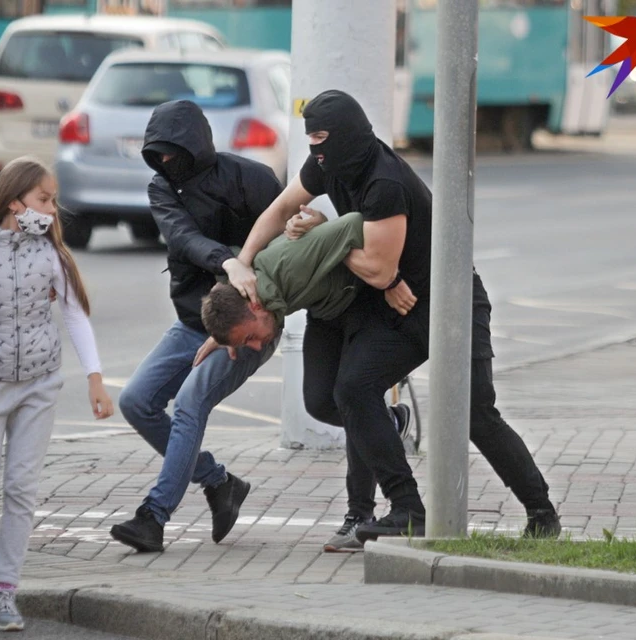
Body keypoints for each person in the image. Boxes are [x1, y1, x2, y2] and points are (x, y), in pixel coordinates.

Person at [220, 89, 562, 541]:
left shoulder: (384, 182)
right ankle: (402, 508)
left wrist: (327, 235)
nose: (315, 149)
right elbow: (283, 207)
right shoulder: (327, 165)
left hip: (448, 300)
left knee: (475, 414)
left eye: (322, 137)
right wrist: (242, 265)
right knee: (347, 393)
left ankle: (542, 514)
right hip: (391, 301)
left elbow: (379, 268)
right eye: (310, 139)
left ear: (347, 135)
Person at [0, 157, 114, 631]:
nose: (52, 211)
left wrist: (94, 376)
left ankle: (6, 593)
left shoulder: (51, 256)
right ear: (15, 202)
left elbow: (74, 314)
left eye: (52, 201)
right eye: (44, 200)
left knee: (22, 489)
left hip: (39, 384)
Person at [110, 100, 284, 553]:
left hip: (249, 321)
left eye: (172, 153)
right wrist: (231, 260)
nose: (165, 163)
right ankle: (219, 482)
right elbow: (182, 237)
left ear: (195, 146)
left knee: (190, 402)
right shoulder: (161, 188)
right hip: (194, 319)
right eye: (157, 155)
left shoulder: (254, 178)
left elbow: (286, 246)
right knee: (137, 401)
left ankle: (154, 516)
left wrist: (253, 276)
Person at [199, 212, 416, 552]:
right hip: (328, 311)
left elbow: (355, 224)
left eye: (250, 337)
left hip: (363, 303)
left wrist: (390, 279)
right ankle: (386, 423)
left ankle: (359, 516)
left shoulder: (290, 264)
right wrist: (223, 335)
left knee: (353, 399)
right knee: (318, 402)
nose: (256, 347)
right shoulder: (252, 296)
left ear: (255, 306)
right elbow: (232, 306)